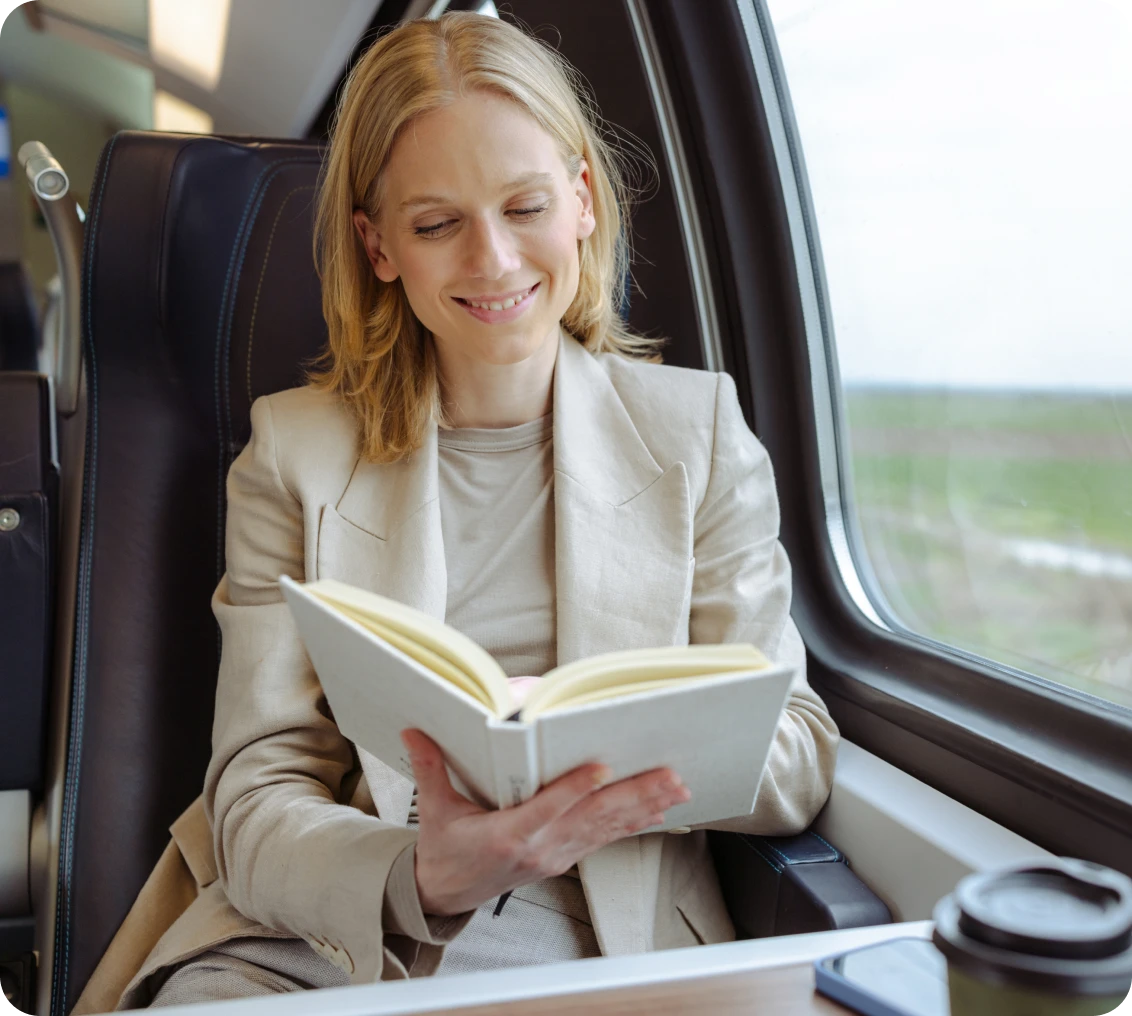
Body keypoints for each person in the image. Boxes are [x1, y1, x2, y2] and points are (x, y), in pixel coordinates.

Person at [73, 11, 839, 1011]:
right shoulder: (293, 454)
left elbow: (797, 750)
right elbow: (256, 802)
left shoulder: (696, 434)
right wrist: (422, 874)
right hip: (328, 927)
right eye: (437, 225)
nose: (492, 259)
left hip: (591, 935)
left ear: (582, 201)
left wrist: (595, 755)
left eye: (525, 206)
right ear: (379, 245)